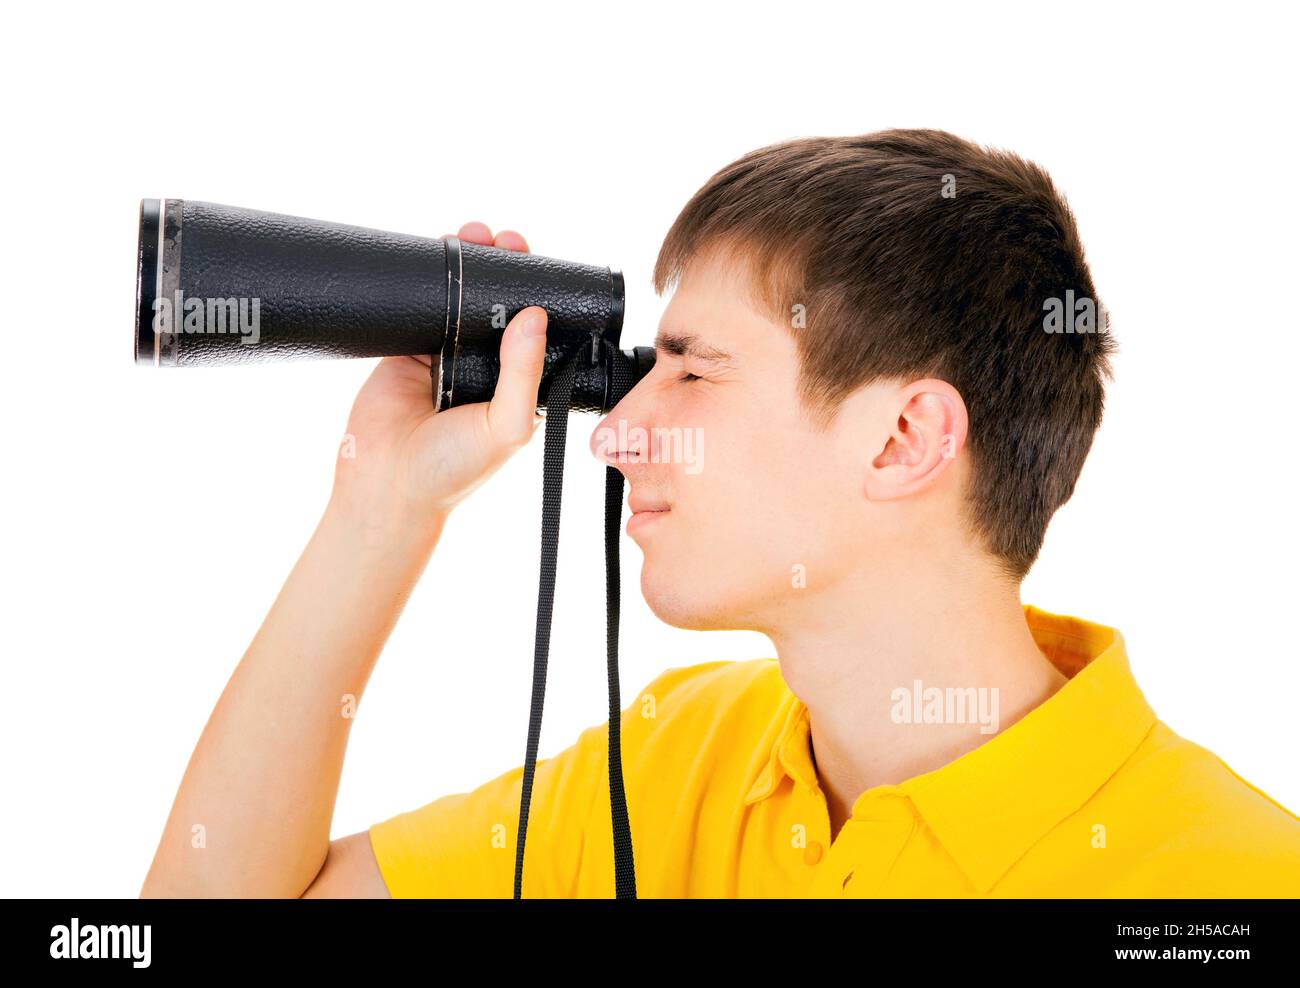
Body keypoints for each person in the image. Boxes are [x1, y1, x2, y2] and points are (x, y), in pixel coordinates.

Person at [141, 129, 1300, 898]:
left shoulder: (1228, 884)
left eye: (693, 371)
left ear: (903, 439)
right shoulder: (689, 754)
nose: (612, 431)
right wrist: (382, 506)